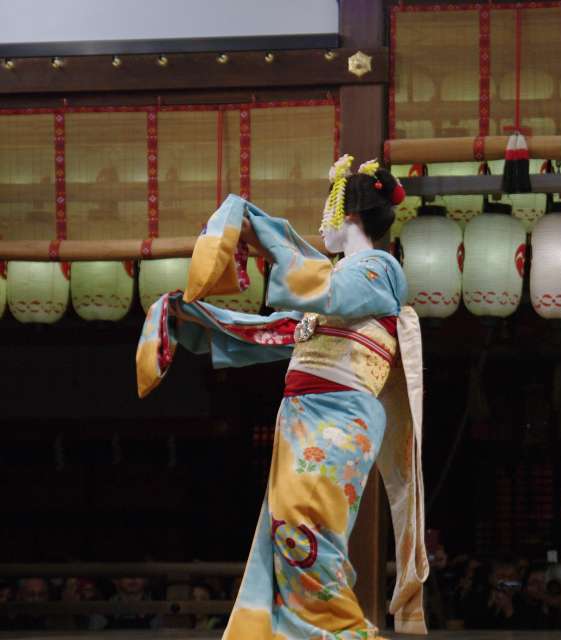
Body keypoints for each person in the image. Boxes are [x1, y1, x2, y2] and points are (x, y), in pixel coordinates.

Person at [135, 156, 428, 638]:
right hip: (305, 415)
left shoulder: (379, 270)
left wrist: (265, 233)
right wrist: (189, 317)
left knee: (307, 530)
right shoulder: (339, 284)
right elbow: (275, 331)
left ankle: (346, 633)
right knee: (289, 533)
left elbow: (320, 290)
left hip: (339, 417)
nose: (321, 228)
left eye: (328, 216)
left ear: (349, 217)